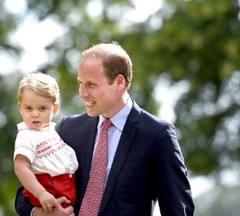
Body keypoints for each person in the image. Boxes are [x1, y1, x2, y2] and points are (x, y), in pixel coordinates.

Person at [15, 42, 195, 216]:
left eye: (91, 84)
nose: (82, 93)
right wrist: (38, 213)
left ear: (119, 82)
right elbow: (26, 192)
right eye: (80, 83)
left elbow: (178, 210)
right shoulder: (69, 129)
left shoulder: (157, 135)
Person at [13, 72, 78, 214]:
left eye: (42, 108)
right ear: (20, 108)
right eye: (28, 108)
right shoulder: (26, 135)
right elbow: (20, 168)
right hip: (47, 192)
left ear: (54, 108)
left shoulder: (49, 131)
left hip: (65, 192)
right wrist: (41, 193)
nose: (35, 114)